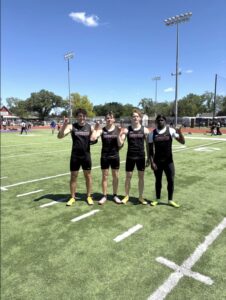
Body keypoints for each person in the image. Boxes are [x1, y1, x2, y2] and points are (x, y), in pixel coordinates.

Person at [57, 108, 98, 206]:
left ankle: (88, 196)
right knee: (73, 176)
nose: (82, 118)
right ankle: (72, 197)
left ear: (85, 117)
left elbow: (94, 138)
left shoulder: (89, 127)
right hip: (75, 156)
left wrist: (95, 135)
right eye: (80, 116)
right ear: (77, 117)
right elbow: (60, 136)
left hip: (86, 156)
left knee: (88, 176)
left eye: (83, 116)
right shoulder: (72, 126)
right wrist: (64, 125)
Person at [147, 114, 185, 208]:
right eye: (159, 120)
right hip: (157, 162)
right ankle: (157, 199)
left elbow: (182, 142)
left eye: (162, 120)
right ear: (156, 122)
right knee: (158, 181)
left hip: (169, 161)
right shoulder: (152, 134)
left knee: (171, 180)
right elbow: (151, 151)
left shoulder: (171, 131)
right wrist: (152, 162)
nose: (160, 121)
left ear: (165, 121)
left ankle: (170, 200)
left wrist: (180, 132)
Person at [119, 109, 149, 205]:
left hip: (141, 156)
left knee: (141, 177)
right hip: (130, 156)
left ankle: (140, 197)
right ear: (131, 118)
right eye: (133, 116)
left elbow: (148, 145)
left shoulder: (145, 130)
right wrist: (119, 135)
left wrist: (149, 157)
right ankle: (126, 196)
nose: (135, 117)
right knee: (128, 176)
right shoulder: (127, 130)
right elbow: (121, 142)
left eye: (137, 116)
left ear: (140, 118)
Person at [93, 112, 122, 205]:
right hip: (105, 156)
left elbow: (120, 144)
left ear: (114, 120)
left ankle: (115, 195)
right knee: (105, 176)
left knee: (115, 176)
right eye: (107, 118)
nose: (109, 119)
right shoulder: (102, 130)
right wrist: (96, 127)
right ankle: (104, 196)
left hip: (115, 156)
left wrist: (118, 134)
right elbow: (93, 138)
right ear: (105, 119)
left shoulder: (117, 129)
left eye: (110, 118)